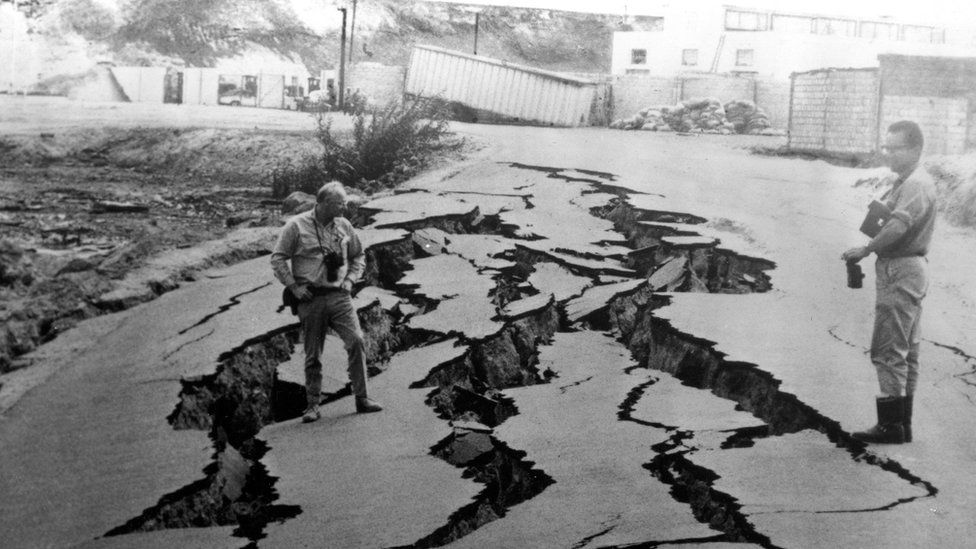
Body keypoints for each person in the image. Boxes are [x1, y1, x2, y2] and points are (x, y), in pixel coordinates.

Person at [842, 120, 936, 444]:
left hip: (900, 269)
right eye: (887, 147)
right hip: (908, 268)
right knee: (906, 350)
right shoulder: (909, 181)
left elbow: (897, 227)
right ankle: (901, 424)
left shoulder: (915, 184)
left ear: (915, 149)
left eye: (895, 148)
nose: (889, 154)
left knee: (887, 348)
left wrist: (867, 249)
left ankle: (890, 426)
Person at [271, 181, 382, 422]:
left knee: (357, 341)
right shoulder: (296, 226)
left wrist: (351, 280)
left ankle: (362, 398)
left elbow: (358, 255)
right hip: (311, 299)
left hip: (340, 296)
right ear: (323, 203)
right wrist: (294, 288)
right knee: (313, 354)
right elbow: (278, 259)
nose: (345, 206)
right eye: (340, 202)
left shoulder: (344, 225)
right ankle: (312, 406)